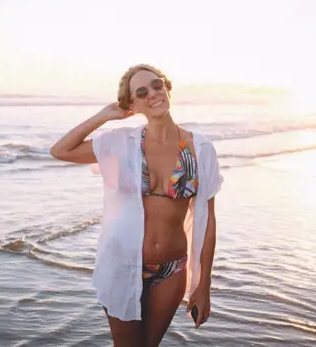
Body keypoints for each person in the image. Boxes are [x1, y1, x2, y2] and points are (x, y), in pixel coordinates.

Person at [50, 64, 224, 347]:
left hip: (172, 269)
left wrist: (203, 286)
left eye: (157, 85)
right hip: (121, 263)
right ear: (132, 104)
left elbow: (209, 221)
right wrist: (104, 116)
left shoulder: (201, 149)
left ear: (166, 87)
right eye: (142, 92)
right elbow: (60, 151)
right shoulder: (121, 143)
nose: (153, 94)